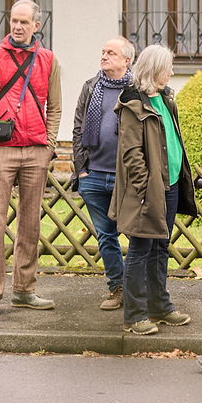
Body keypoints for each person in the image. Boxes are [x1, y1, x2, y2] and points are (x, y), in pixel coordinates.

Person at [0, 0, 62, 321]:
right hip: (1, 150)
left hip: (36, 151)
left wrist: (48, 145)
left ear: (37, 25)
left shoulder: (49, 60)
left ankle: (24, 290)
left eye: (24, 22)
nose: (17, 27)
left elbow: (56, 107)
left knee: (30, 224)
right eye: (13, 21)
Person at [111, 44, 197, 335]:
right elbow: (131, 154)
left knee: (160, 247)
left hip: (169, 186)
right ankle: (134, 315)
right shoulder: (132, 104)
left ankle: (159, 306)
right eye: (168, 67)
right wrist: (144, 188)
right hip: (148, 190)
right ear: (154, 70)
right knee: (140, 250)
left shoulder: (165, 99)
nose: (172, 72)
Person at [72, 36, 134, 311]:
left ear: (126, 60)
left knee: (138, 235)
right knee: (106, 236)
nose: (105, 56)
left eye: (111, 52)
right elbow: (77, 128)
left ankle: (140, 289)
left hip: (127, 178)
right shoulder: (91, 87)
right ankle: (117, 289)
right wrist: (81, 170)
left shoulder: (136, 88)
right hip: (94, 175)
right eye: (103, 52)